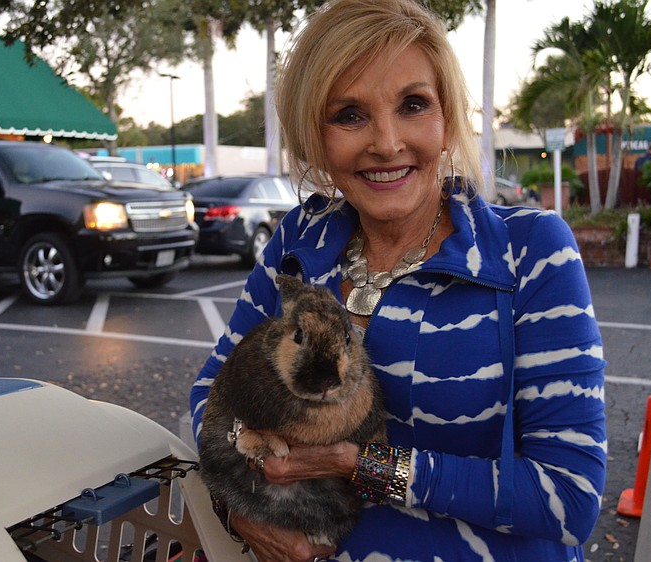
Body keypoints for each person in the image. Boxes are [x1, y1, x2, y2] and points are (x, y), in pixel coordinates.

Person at [189, 0, 607, 560]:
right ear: (315, 135)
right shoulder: (300, 241)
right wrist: (238, 506)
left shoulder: (528, 250)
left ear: (447, 119)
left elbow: (569, 498)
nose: (386, 143)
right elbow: (210, 394)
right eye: (349, 114)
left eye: (413, 105)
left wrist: (361, 466)